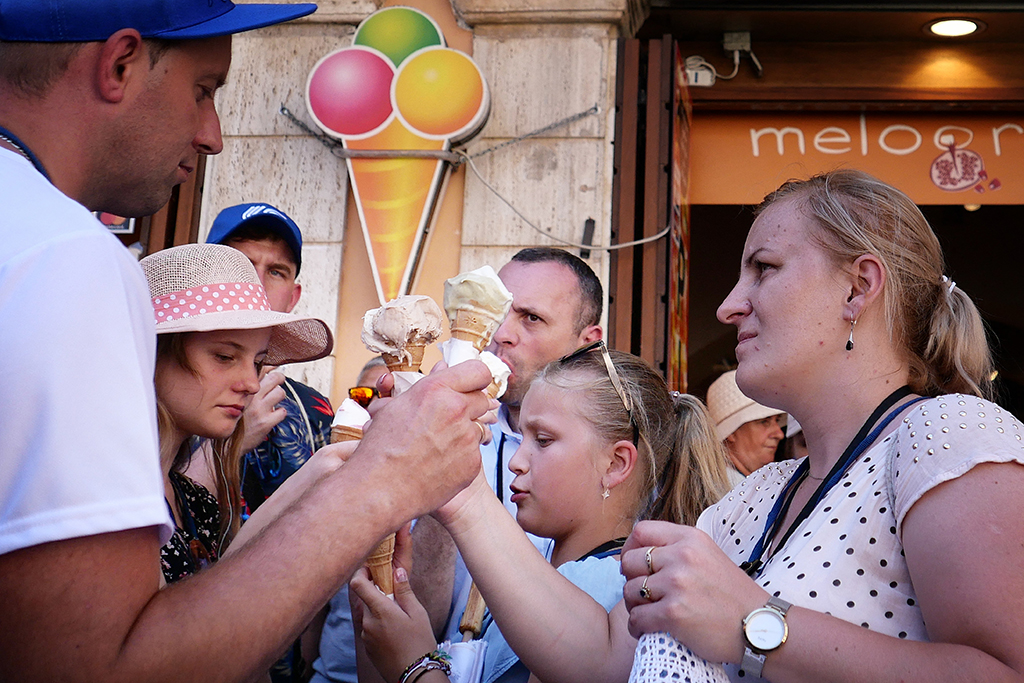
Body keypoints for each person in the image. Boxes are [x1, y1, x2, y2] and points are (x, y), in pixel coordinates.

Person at [0, 2, 494, 680]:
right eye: (204, 91)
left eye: (255, 356)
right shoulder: (65, 252)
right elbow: (104, 665)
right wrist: (386, 479)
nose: (214, 136)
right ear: (118, 64)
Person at [619, 169, 1024, 681]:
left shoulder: (948, 432)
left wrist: (755, 624)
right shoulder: (758, 495)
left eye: (763, 269)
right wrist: (479, 499)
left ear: (858, 289)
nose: (728, 307)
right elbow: (602, 655)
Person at [351, 344, 731, 683]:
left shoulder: (609, 588)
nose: (516, 461)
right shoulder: (530, 569)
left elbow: (409, 666)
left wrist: (416, 666)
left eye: (543, 440)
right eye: (522, 438)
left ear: (616, 464)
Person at [310, 247, 604, 683]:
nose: (502, 333)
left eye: (531, 318)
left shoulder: (607, 455)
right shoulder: (428, 426)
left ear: (588, 341)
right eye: (501, 312)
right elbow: (402, 609)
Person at [142, 243, 332, 584]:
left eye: (258, 363)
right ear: (152, 354)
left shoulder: (193, 500)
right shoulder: (107, 499)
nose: (251, 383)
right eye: (224, 357)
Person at [200, 202, 336, 514]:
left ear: (293, 297)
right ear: (205, 278)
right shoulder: (159, 387)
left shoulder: (314, 408)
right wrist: (232, 444)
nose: (257, 284)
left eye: (276, 272)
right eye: (242, 266)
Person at [706, 369, 786, 487]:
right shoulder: (722, 492)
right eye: (764, 421)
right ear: (731, 433)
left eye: (777, 420)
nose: (779, 434)